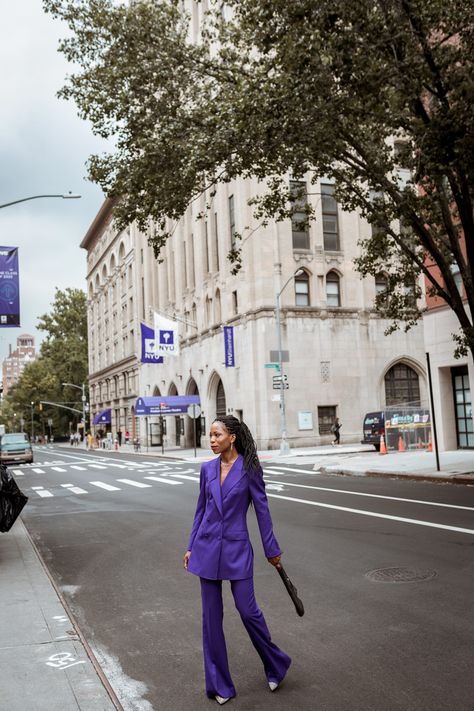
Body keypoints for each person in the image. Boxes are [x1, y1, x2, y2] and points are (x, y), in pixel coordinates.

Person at [183, 416, 291, 705]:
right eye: (210, 435)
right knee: (211, 619)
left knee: (247, 610)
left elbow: (262, 510)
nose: (212, 440)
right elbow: (200, 510)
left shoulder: (250, 469)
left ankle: (276, 663)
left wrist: (271, 549)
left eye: (217, 435)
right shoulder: (207, 470)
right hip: (206, 549)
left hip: (236, 549)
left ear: (232, 436)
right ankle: (220, 685)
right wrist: (191, 546)